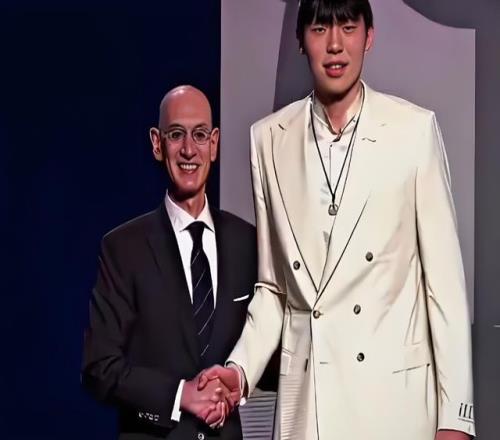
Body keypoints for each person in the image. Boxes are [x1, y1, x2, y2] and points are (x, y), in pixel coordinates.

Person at [199, 1, 475, 439]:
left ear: (369, 36)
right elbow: (273, 289)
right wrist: (241, 370)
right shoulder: (268, 140)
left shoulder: (412, 132)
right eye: (319, 29)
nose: (334, 45)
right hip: (307, 407)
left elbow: (444, 288)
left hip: (393, 407)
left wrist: (456, 418)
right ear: (300, 41)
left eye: (347, 27)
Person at [82, 85, 256, 440]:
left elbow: (268, 353)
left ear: (215, 143)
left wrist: (238, 380)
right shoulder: (123, 248)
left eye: (200, 135)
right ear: (157, 144)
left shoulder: (247, 242)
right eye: (176, 134)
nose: (189, 149)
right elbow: (99, 368)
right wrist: (179, 395)